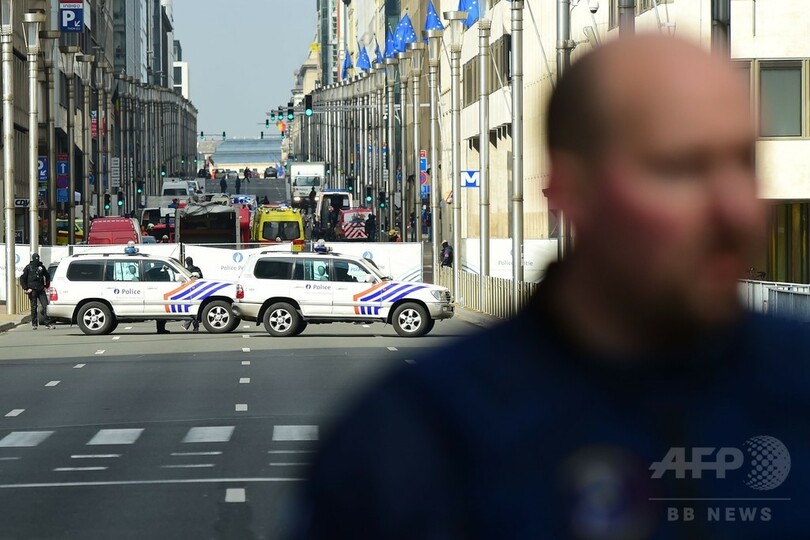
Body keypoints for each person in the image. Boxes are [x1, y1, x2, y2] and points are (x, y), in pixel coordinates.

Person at [292, 36, 810, 538]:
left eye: (744, 162)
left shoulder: (794, 382)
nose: (736, 210)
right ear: (569, 191)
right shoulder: (421, 440)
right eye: (680, 168)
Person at [19, 254, 54, 330]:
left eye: (38, 259)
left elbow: (47, 276)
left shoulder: (41, 267)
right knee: (34, 307)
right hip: (32, 290)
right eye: (35, 259)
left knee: (46, 306)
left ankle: (47, 323)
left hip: (41, 289)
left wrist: (46, 285)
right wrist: (26, 288)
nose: (37, 260)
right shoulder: (28, 267)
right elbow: (22, 279)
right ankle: (34, 324)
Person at [182, 257, 203, 332]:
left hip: (189, 291)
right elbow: (202, 278)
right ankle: (195, 327)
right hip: (197, 290)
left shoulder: (186, 270)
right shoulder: (197, 269)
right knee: (195, 309)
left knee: (191, 309)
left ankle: (187, 324)